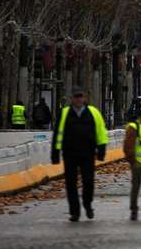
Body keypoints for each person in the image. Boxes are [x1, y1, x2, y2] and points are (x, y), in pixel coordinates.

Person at [50, 87, 108, 222]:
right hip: (69, 153)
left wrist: (102, 150)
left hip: (88, 153)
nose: (78, 99)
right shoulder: (65, 113)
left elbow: (101, 132)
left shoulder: (94, 112)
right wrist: (55, 153)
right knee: (71, 184)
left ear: (84, 98)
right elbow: (58, 134)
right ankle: (74, 212)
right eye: (76, 97)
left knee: (88, 182)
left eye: (80, 97)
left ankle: (87, 204)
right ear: (72, 99)